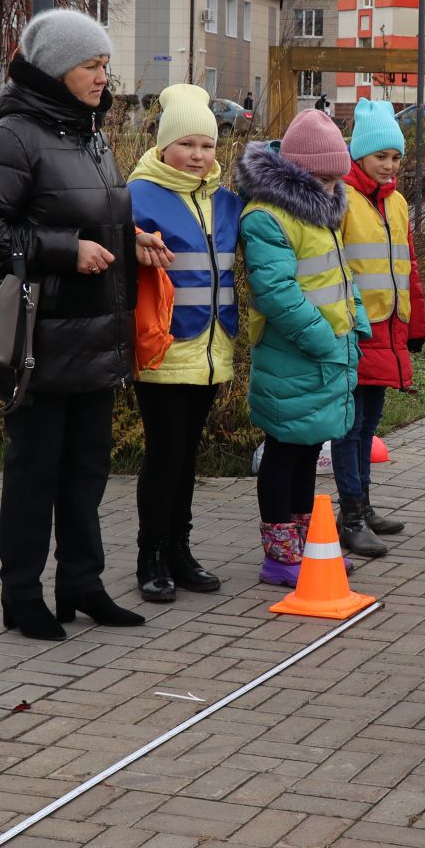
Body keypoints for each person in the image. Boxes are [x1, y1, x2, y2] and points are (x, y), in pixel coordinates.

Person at [0, 8, 157, 640]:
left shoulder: (90, 133)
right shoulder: (12, 137)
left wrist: (132, 241)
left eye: (105, 64)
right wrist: (63, 250)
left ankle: (81, 583)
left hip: (96, 336)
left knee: (87, 469)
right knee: (35, 471)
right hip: (39, 340)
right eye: (92, 65)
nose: (104, 76)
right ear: (55, 69)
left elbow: (94, 215)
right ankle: (21, 594)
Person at [233, 112, 369, 586]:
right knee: (284, 451)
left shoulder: (322, 211)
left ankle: (307, 542)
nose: (334, 188)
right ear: (298, 172)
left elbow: (340, 274)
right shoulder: (268, 217)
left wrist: (357, 325)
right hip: (295, 355)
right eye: (325, 178)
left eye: (338, 179)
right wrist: (323, 339)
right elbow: (276, 293)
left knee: (310, 448)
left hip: (327, 352)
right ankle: (279, 553)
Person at [127, 83, 238, 604]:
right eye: (187, 145)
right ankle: (151, 555)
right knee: (165, 452)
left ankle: (180, 550)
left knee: (188, 454)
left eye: (207, 146)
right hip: (163, 346)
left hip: (213, 347)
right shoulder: (137, 195)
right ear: (164, 144)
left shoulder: (227, 201)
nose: (198, 156)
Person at [332, 100, 425, 557]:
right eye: (380, 157)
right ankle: (349, 513)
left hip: (389, 330)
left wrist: (416, 325)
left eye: (395, 157)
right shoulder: (341, 198)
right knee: (349, 427)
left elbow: (407, 270)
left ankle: (363, 506)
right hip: (355, 328)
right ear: (359, 157)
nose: (389, 166)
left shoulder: (399, 203)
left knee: (368, 425)